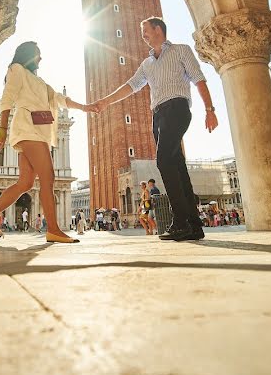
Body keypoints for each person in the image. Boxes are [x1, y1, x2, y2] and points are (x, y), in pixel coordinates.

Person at [93, 17, 217, 241]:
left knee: (163, 161)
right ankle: (194, 225)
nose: (142, 35)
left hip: (177, 108)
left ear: (158, 29)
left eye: (145, 30)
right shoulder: (147, 64)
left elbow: (199, 79)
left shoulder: (181, 50)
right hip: (157, 116)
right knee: (178, 167)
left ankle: (180, 221)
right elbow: (130, 86)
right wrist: (105, 102)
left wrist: (210, 109)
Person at [0, 41, 94, 244]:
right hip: (28, 128)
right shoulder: (17, 70)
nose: (41, 58)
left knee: (26, 182)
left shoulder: (38, 81)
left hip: (37, 130)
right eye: (38, 54)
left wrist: (84, 107)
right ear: (29, 55)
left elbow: (57, 98)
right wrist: (2, 130)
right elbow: (6, 100)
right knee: (48, 176)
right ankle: (54, 230)